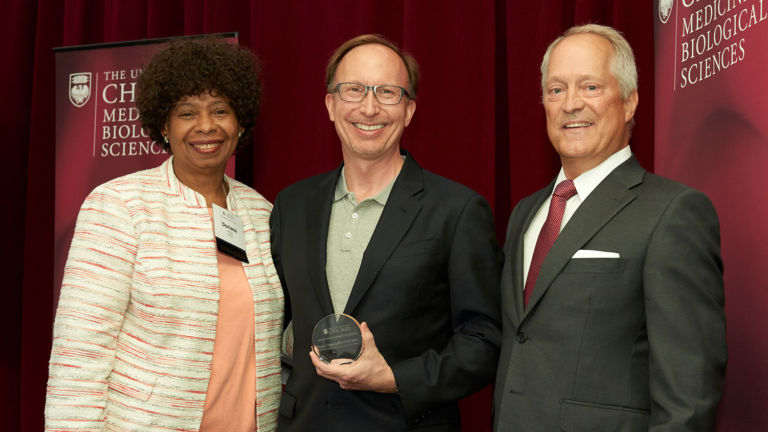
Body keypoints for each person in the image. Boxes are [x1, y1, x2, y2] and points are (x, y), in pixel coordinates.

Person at [493, 24, 727, 431]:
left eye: (590, 87)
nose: (570, 104)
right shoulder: (525, 214)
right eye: (556, 90)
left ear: (630, 101)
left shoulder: (673, 212)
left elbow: (688, 397)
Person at [45, 38, 283, 431]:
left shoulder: (261, 213)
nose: (206, 125)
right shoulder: (119, 205)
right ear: (163, 126)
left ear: (240, 123)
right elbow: (80, 353)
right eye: (187, 112)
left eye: (220, 110)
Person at [270, 34, 503, 431]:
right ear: (330, 104)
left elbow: (485, 341)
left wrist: (394, 378)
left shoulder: (457, 210)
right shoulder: (292, 206)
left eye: (388, 92)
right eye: (354, 90)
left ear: (409, 110)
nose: (369, 107)